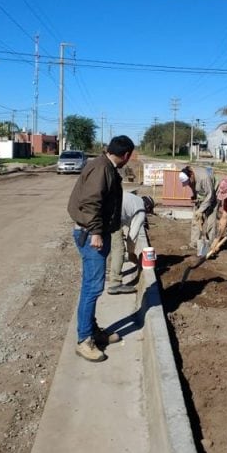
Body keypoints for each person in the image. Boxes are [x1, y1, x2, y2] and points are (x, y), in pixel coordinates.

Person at [67, 135, 134, 362]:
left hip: (95, 231)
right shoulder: (101, 169)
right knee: (92, 288)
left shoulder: (104, 166)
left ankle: (92, 331)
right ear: (126, 155)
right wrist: (96, 231)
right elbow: (90, 202)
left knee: (92, 286)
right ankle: (84, 340)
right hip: (90, 234)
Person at [106, 192, 154, 295]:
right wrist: (131, 253)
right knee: (119, 249)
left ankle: (106, 273)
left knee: (107, 245)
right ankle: (115, 283)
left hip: (104, 211)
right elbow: (132, 237)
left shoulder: (134, 200)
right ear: (148, 207)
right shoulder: (141, 211)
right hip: (112, 217)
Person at [179, 165, 217, 250]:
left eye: (188, 182)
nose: (188, 184)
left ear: (191, 175)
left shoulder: (204, 178)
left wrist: (201, 210)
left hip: (213, 196)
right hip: (202, 196)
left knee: (210, 222)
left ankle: (210, 247)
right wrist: (195, 197)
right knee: (196, 220)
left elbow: (210, 196)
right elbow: (194, 187)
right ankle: (194, 244)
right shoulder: (190, 178)